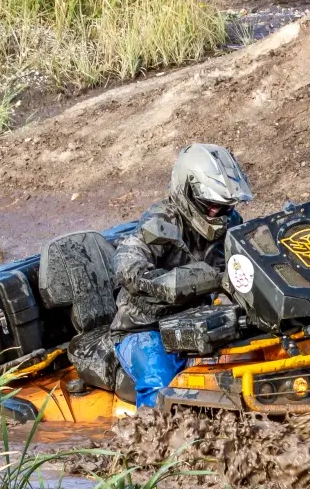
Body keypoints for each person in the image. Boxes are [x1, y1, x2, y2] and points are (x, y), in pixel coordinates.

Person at [109, 143, 254, 408]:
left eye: (224, 207)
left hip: (200, 320)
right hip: (144, 329)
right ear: (188, 192)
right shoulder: (160, 222)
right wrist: (169, 282)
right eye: (210, 206)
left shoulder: (230, 222)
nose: (217, 214)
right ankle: (154, 441)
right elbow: (125, 262)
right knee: (160, 382)